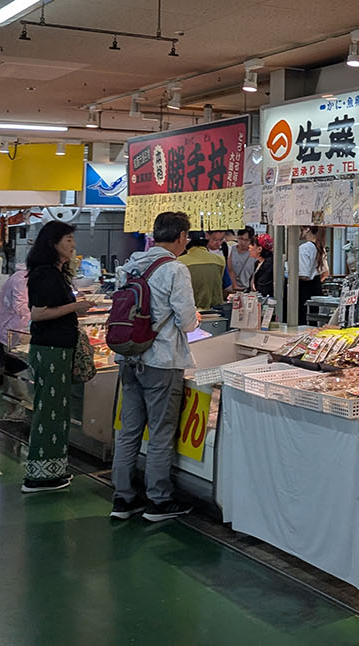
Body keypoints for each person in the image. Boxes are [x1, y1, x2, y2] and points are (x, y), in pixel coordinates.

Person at [110, 211, 197, 524]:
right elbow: (187, 322)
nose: (187, 241)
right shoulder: (175, 270)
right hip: (162, 362)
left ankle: (122, 497)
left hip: (129, 357)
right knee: (161, 433)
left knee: (129, 430)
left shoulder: (131, 265)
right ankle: (158, 500)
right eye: (186, 236)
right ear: (178, 236)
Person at [22, 220, 93, 493]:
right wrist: (76, 306)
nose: (73, 245)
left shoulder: (55, 273)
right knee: (50, 411)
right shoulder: (45, 274)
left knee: (56, 409)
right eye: (68, 241)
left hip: (56, 348)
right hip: (51, 349)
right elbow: (39, 313)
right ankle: (39, 476)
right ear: (53, 244)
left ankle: (53, 470)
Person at [178, 232, 226, 311]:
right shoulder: (220, 260)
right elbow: (225, 286)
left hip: (191, 312)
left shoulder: (179, 262)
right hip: (215, 311)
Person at [296, 225, 326, 324]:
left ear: (307, 229)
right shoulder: (320, 247)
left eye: (300, 229)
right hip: (315, 288)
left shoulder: (304, 248)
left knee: (303, 322)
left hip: (305, 291)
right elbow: (325, 272)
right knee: (313, 323)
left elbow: (304, 275)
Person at [226, 227, 258, 293]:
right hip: (230, 290)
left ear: (251, 240)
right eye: (241, 239)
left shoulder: (254, 254)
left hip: (247, 290)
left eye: (247, 240)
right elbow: (229, 270)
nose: (243, 243)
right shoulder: (230, 250)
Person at [251, 234, 274, 298]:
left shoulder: (269, 265)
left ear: (259, 249)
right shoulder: (257, 263)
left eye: (252, 245)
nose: (249, 247)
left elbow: (263, 288)